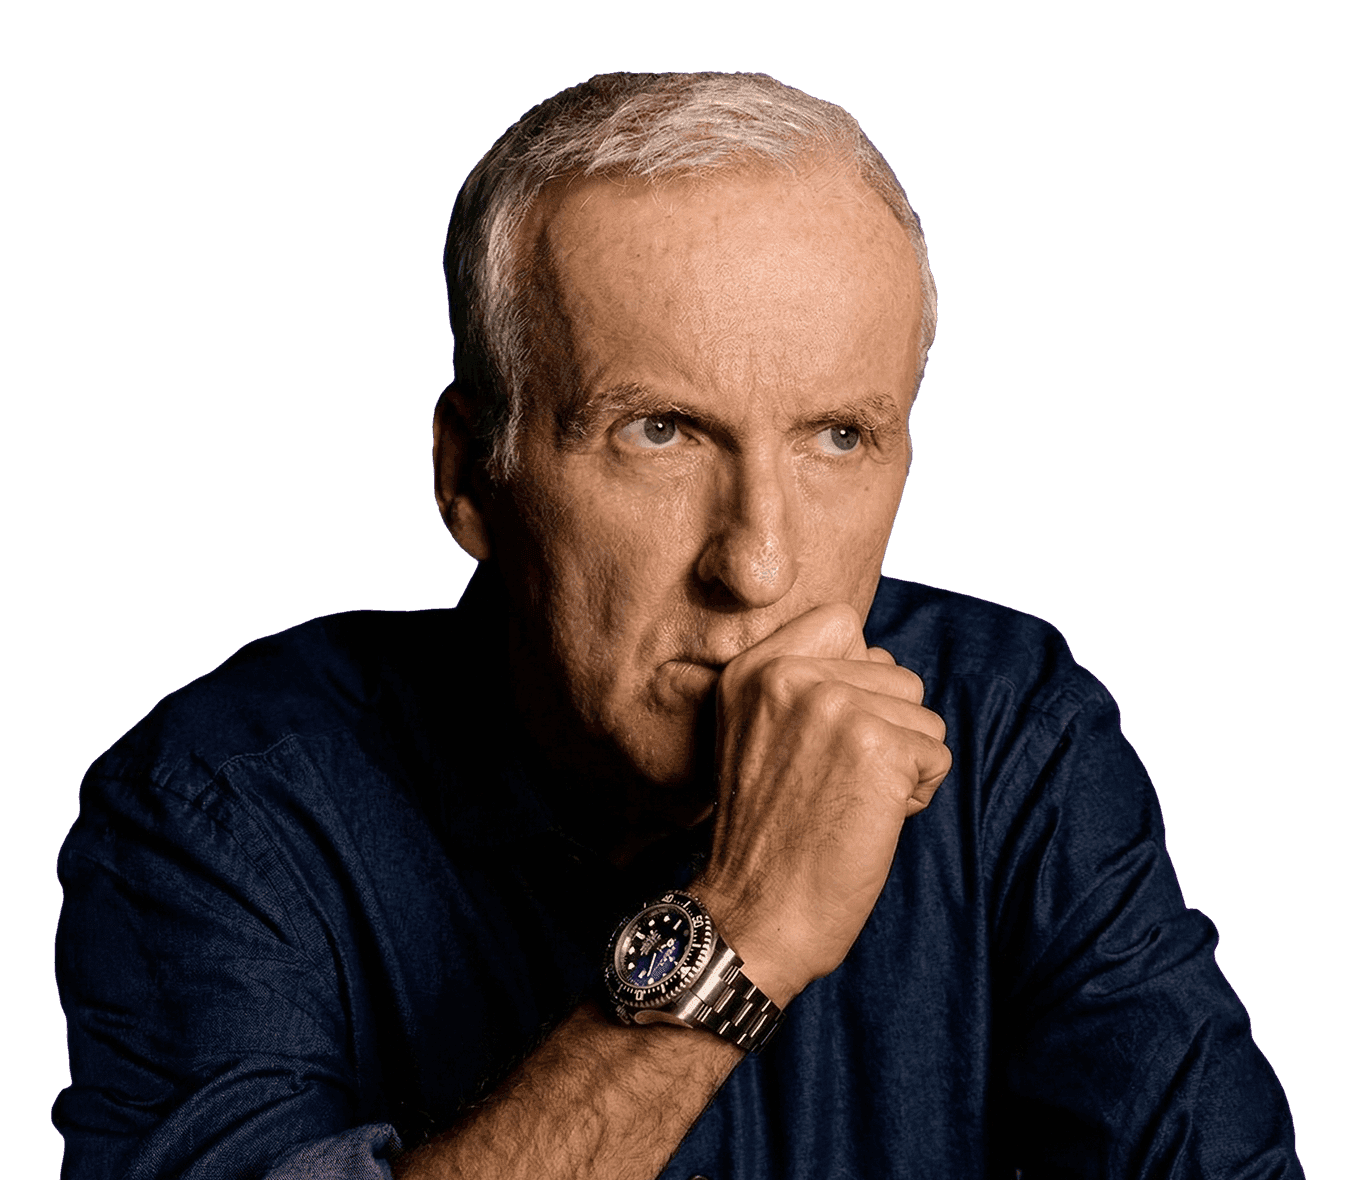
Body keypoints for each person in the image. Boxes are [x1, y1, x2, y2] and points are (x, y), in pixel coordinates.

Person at [54, 72, 1302, 1179]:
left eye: (837, 437)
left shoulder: (1009, 736)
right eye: (658, 432)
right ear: (470, 475)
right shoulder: (223, 808)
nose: (756, 564)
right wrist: (739, 933)